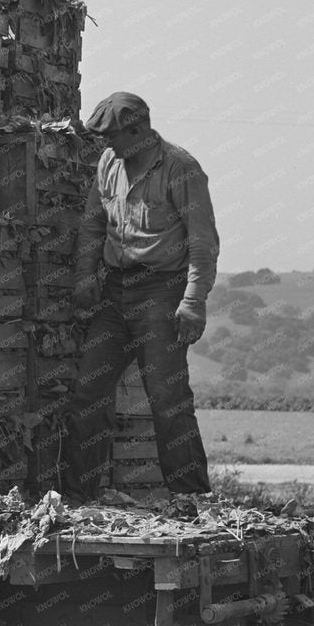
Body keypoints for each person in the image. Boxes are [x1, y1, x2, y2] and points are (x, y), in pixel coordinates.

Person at [65, 92, 218, 503]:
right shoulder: (108, 164)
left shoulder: (181, 168)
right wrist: (85, 277)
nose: (107, 145)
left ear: (139, 130)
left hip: (162, 291)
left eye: (113, 136)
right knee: (87, 394)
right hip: (116, 291)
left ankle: (191, 501)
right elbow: (93, 225)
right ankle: (80, 500)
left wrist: (192, 301)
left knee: (168, 397)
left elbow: (203, 242)